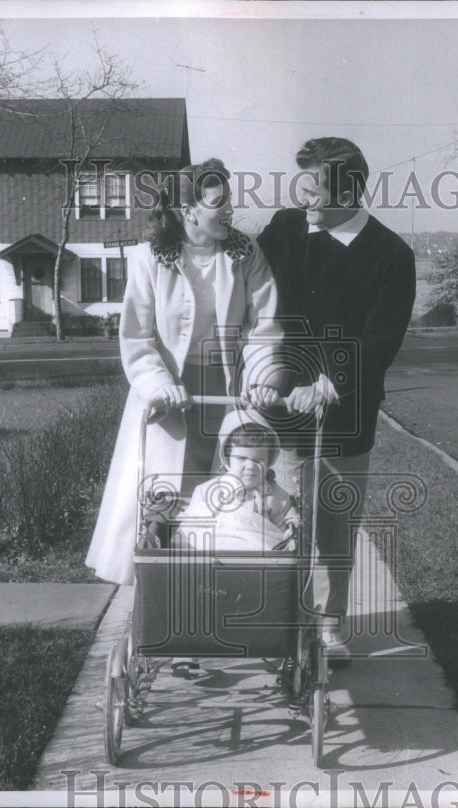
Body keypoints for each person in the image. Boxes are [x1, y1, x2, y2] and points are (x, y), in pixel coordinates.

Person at [86, 159, 285, 585]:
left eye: (231, 200)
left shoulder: (246, 254)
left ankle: (218, 600)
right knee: (167, 497)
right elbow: (137, 337)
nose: (230, 211)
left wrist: (262, 382)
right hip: (171, 396)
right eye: (218, 203)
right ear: (186, 209)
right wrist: (160, 386)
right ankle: (166, 613)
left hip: (229, 389)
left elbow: (264, 328)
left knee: (227, 496)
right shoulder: (149, 259)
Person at [258, 137, 416, 658]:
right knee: (282, 523)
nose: (306, 200)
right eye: (301, 187)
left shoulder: (391, 255)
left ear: (350, 192)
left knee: (334, 527)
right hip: (280, 409)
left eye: (317, 191)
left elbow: (381, 339)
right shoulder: (283, 231)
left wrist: (328, 384)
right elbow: (252, 293)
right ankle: (282, 622)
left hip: (344, 416)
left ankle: (328, 627)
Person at [172, 408, 299, 553]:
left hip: (258, 555)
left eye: (259, 460)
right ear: (227, 457)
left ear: (269, 460)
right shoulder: (207, 490)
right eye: (242, 458)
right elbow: (191, 530)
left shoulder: (277, 496)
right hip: (215, 552)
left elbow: (279, 539)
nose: (250, 467)